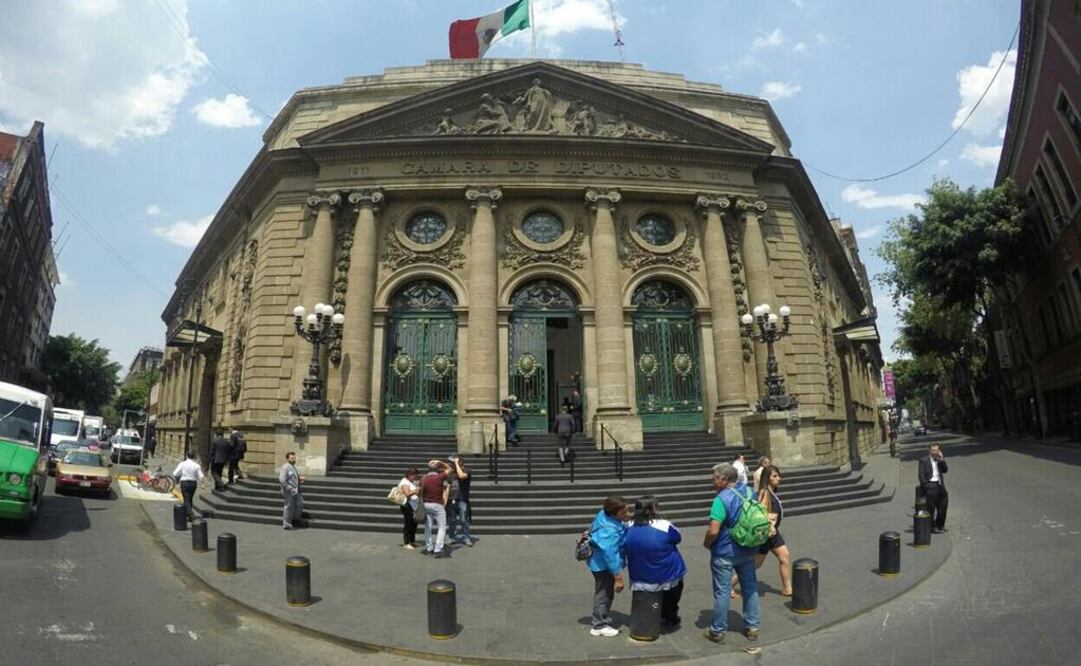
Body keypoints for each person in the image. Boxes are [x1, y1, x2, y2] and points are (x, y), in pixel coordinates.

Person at [703, 463, 760, 644]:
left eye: (715, 478)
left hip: (725, 551)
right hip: (748, 547)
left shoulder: (721, 499)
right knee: (750, 588)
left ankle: (718, 630)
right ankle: (752, 627)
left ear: (724, 479)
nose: (712, 481)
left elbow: (713, 531)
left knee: (722, 591)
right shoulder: (750, 492)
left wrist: (707, 543)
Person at [623, 496, 687, 632]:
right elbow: (677, 538)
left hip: (640, 571)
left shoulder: (628, 526)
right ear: (653, 509)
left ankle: (650, 618)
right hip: (667, 570)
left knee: (646, 598)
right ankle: (669, 618)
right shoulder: (664, 525)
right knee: (671, 597)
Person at [586, 496, 630, 637]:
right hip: (603, 566)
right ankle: (599, 624)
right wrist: (618, 577)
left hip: (597, 561)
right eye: (624, 512)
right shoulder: (609, 531)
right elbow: (610, 554)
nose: (628, 514)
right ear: (614, 514)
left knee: (604, 591)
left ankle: (601, 618)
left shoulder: (603, 514)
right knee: (604, 593)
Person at [754, 465, 792, 596]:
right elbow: (761, 512)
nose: (778, 478)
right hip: (767, 534)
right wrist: (770, 527)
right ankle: (730, 585)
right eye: (775, 476)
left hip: (773, 534)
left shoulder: (771, 491)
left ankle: (787, 589)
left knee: (784, 557)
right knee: (755, 564)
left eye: (778, 475)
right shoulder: (765, 493)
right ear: (767, 478)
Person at [421, 459, 452, 558]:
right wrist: (440, 462)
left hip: (426, 504)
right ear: (437, 469)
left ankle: (429, 548)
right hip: (437, 504)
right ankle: (438, 549)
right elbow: (450, 469)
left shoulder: (423, 478)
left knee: (428, 527)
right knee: (442, 527)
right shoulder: (440, 477)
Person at [918, 443, 949, 533]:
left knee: (943, 506)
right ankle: (932, 526)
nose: (934, 452)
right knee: (931, 508)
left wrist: (942, 460)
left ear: (939, 451)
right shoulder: (924, 460)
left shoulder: (939, 459)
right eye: (933, 450)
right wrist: (927, 487)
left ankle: (940, 525)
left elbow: (945, 470)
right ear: (929, 451)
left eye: (936, 450)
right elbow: (921, 476)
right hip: (931, 485)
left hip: (940, 485)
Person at [446, 455, 474, 547]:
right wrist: (445, 500)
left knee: (464, 519)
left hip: (462, 499)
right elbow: (448, 487)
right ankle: (452, 537)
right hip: (452, 499)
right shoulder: (451, 473)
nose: (452, 464)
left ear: (460, 462)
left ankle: (466, 538)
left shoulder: (467, 470)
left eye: (453, 462)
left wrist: (457, 463)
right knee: (451, 520)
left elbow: (462, 476)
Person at [172, 450, 204, 521]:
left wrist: (179, 478)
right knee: (190, 498)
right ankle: (188, 515)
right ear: (194, 457)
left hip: (185, 483)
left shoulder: (182, 464)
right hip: (193, 483)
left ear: (187, 456)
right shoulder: (196, 465)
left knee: (186, 499)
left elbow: (175, 473)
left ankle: (191, 514)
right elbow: (201, 476)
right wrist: (202, 484)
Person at [279, 451, 304, 530]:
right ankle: (286, 524)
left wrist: (299, 479)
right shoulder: (285, 467)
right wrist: (289, 488)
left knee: (300, 503)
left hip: (296, 490)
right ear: (287, 459)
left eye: (294, 458)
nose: (294, 460)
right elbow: (282, 480)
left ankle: (294, 519)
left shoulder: (293, 467)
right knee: (288, 507)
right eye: (292, 458)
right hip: (289, 491)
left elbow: (293, 477)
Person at [397, 467, 420, 549]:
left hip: (413, 506)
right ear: (410, 475)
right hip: (407, 506)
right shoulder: (404, 482)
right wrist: (415, 490)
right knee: (408, 524)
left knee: (414, 524)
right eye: (415, 476)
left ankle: (412, 541)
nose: (415, 477)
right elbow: (407, 493)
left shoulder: (410, 482)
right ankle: (406, 543)